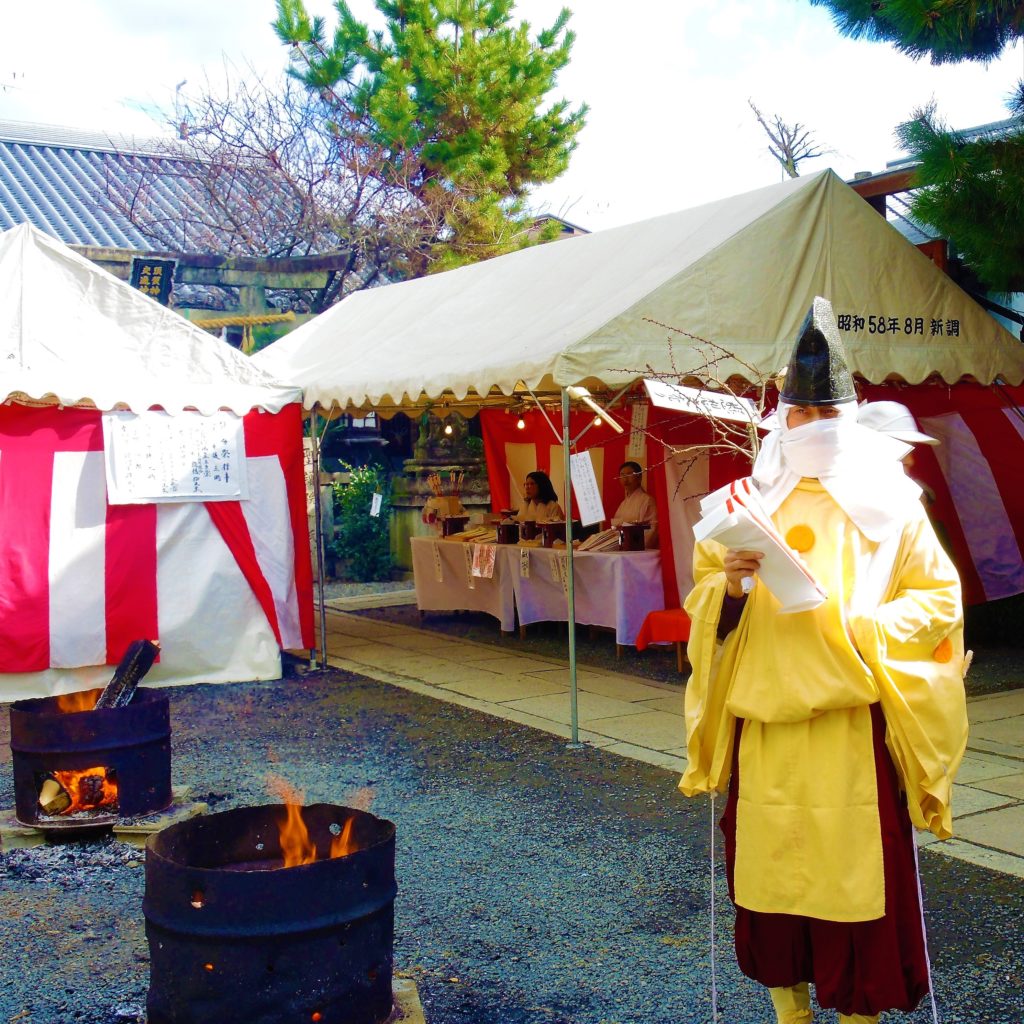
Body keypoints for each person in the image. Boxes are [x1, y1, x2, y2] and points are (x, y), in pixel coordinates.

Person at [680, 297, 969, 1024]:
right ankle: (790, 1013)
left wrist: (865, 626)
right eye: (801, 413)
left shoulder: (894, 505)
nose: (812, 425)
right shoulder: (745, 502)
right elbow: (703, 604)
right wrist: (732, 586)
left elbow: (938, 598)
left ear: (849, 415)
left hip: (850, 730)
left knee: (855, 888)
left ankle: (857, 1014)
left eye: (826, 413)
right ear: (783, 417)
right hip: (767, 730)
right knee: (773, 888)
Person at [610, 461, 659, 548]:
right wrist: (619, 544)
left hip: (639, 549)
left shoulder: (647, 500)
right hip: (623, 548)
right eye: (622, 475)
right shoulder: (623, 504)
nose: (625, 479)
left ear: (639, 477)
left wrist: (635, 546)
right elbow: (616, 529)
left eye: (629, 474)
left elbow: (653, 529)